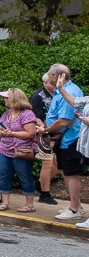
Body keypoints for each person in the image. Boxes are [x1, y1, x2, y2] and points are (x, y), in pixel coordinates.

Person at [45, 65, 85, 223]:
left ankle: (74, 209)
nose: (48, 78)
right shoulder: (63, 90)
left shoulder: (71, 91)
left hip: (70, 139)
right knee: (65, 171)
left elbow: (64, 120)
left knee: (71, 173)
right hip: (65, 140)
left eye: (49, 75)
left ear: (58, 76)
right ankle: (77, 206)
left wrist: (46, 131)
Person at [0, 89, 38, 213]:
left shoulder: (27, 114)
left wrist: (12, 133)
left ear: (14, 99)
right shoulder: (6, 113)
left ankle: (29, 204)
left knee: (24, 175)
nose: (4, 100)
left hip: (21, 150)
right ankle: (5, 203)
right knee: (3, 175)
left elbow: (31, 133)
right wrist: (2, 132)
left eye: (7, 98)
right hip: (4, 149)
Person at [29, 72, 58, 205]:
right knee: (48, 163)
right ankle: (44, 194)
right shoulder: (38, 96)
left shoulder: (57, 93)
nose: (54, 85)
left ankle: (39, 184)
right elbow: (33, 116)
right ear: (45, 83)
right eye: (51, 83)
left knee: (57, 165)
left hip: (56, 132)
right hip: (44, 134)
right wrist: (45, 129)